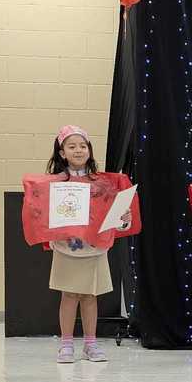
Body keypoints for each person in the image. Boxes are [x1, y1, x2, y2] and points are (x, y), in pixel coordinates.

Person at [46, 126, 126, 364]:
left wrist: (122, 218)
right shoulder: (54, 183)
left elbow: (114, 216)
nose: (78, 150)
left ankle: (90, 344)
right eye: (72, 146)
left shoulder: (102, 183)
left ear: (89, 150)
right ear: (62, 153)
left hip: (94, 248)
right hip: (66, 248)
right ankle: (66, 344)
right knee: (69, 295)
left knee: (90, 296)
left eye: (83, 146)